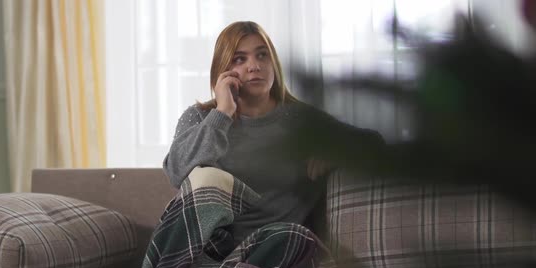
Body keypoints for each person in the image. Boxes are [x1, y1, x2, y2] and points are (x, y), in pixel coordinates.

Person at [163, 21, 383, 244]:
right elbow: (175, 171)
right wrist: (222, 113)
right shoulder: (200, 117)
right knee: (204, 177)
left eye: (262, 55)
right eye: (240, 59)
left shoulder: (301, 120)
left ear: (274, 64)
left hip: (278, 245)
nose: (254, 66)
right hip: (212, 247)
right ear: (223, 69)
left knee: (291, 239)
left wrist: (338, 152)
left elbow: (373, 142)